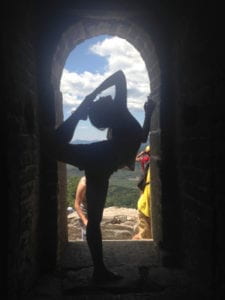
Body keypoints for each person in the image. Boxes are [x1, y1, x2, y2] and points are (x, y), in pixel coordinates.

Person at [41, 70, 155, 283]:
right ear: (108, 110)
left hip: (98, 160)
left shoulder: (119, 117)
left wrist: (88, 99)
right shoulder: (120, 113)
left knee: (53, 147)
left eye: (100, 98)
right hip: (102, 161)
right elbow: (120, 76)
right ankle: (99, 270)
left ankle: (99, 270)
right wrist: (90, 97)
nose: (103, 97)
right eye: (101, 99)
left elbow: (141, 136)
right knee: (93, 220)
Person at [132, 146, 152, 240]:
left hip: (145, 186)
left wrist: (142, 152)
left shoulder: (146, 159)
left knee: (143, 203)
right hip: (146, 185)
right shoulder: (149, 161)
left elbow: (135, 159)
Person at [74, 176, 88, 240]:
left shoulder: (100, 180)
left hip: (94, 211)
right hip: (85, 211)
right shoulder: (84, 182)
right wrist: (84, 220)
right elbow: (77, 204)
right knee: (86, 234)